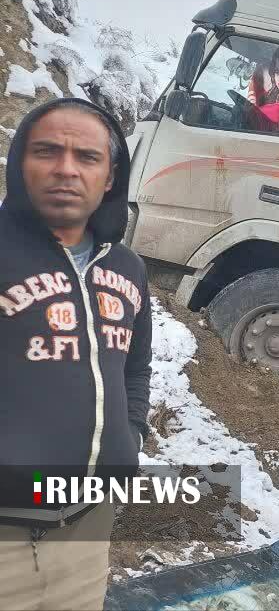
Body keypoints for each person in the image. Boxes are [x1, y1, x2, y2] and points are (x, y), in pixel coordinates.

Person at [0, 98, 153, 611]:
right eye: (47, 151)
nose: (66, 169)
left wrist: (130, 435)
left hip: (85, 538)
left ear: (110, 177)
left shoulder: (129, 269)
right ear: (21, 163)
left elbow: (134, 367)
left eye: (87, 157)